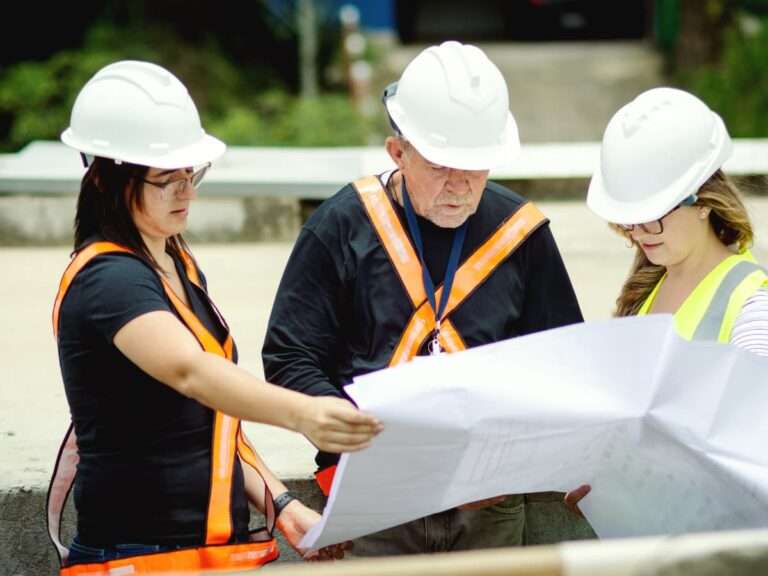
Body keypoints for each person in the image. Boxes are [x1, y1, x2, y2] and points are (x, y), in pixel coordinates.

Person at [47, 60, 382, 575]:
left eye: (192, 173)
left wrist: (278, 502)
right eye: (167, 178)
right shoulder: (108, 280)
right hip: (138, 556)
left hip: (199, 554)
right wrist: (304, 413)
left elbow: (209, 422)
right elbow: (193, 374)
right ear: (108, 177)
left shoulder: (172, 259)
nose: (188, 191)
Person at [262, 41, 583, 556]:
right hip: (374, 504)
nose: (459, 187)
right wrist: (354, 439)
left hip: (488, 505)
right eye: (441, 167)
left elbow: (564, 360)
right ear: (398, 152)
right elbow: (290, 358)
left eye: (475, 168)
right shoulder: (342, 227)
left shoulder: (521, 234)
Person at [565, 86, 768, 515]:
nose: (638, 234)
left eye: (651, 217)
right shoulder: (647, 286)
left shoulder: (752, 304)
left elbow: (753, 448)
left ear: (702, 202)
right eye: (627, 222)